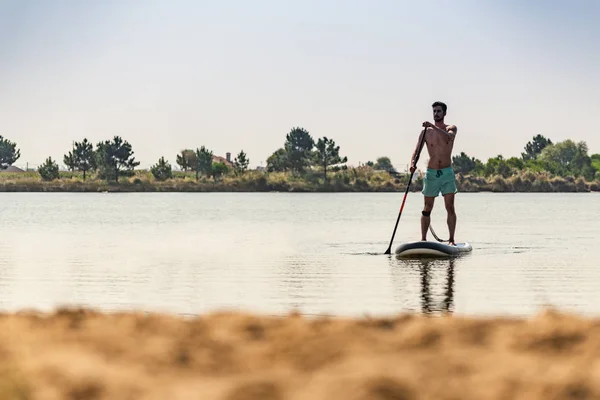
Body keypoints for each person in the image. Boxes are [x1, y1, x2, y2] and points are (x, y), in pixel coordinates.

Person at [409, 101, 458, 245]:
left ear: (444, 113)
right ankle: (423, 240)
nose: (436, 114)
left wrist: (432, 126)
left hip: (447, 173)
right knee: (427, 208)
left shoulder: (451, 128)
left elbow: (449, 138)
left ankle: (452, 240)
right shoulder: (426, 132)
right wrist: (413, 164)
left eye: (438, 111)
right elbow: (417, 150)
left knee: (449, 207)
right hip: (431, 173)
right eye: (434, 111)